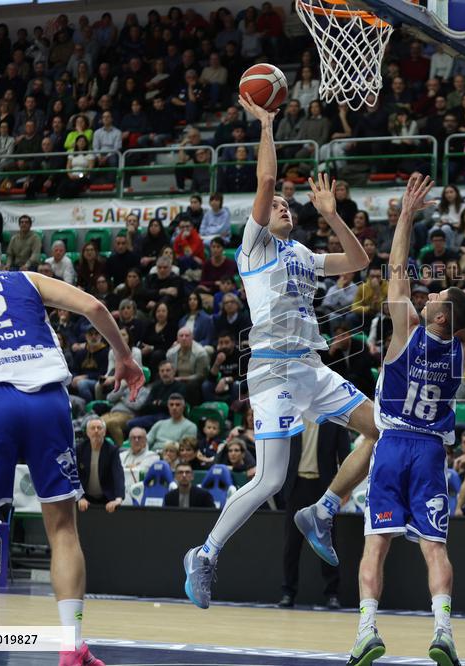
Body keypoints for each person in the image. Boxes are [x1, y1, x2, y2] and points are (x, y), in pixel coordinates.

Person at [182, 95, 380, 611]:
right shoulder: (254, 248)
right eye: (277, 206)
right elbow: (267, 180)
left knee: (383, 429)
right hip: (273, 371)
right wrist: (267, 124)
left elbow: (358, 260)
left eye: (290, 205)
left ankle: (323, 510)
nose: (284, 206)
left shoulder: (303, 253)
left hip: (311, 368)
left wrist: (332, 215)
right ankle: (205, 553)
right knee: (271, 477)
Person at [0, 225, 143, 666]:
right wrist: (124, 356)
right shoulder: (27, 280)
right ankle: (71, 644)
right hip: (48, 402)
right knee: (63, 530)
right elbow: (95, 306)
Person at [340, 185, 465, 666]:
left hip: (391, 446)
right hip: (430, 451)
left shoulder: (404, 332)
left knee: (376, 545)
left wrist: (406, 216)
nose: (429, 295)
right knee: (434, 548)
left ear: (441, 315)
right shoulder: (463, 347)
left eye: (437, 297)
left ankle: (366, 631)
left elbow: (396, 272)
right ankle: (444, 632)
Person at [279, 420, 342, 610]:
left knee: (327, 542)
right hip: (296, 485)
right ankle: (288, 592)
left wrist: (343, 489)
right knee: (291, 544)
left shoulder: (334, 418)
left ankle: (332, 594)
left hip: (325, 488)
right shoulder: (293, 416)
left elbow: (345, 455)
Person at [75, 418, 125, 512]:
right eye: (92, 428)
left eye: (99, 428)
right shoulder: (80, 449)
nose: (96, 431)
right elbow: (74, 476)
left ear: (104, 432)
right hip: (85, 497)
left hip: (106, 498)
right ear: (87, 432)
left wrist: (118, 499)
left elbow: (118, 474)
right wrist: (79, 497)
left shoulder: (112, 451)